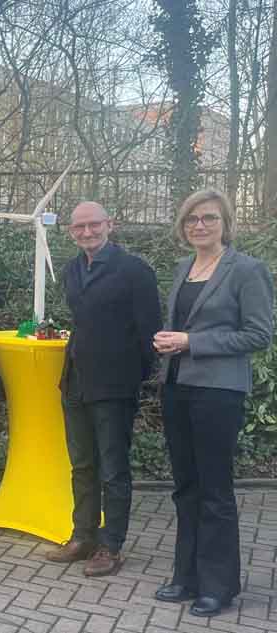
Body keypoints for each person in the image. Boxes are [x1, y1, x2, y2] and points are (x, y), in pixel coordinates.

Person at [152, 188, 273, 617]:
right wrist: (170, 343)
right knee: (185, 486)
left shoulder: (246, 270)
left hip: (219, 392)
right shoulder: (184, 266)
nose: (199, 226)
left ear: (225, 223)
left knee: (215, 489)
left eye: (208, 219)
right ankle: (186, 576)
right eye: (191, 220)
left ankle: (219, 586)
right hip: (177, 386)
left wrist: (191, 341)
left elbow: (259, 334)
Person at [46, 201, 161, 577]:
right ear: (71, 231)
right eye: (79, 227)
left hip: (115, 385)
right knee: (82, 465)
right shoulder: (71, 270)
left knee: (113, 469)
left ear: (110, 224)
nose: (87, 232)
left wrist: (134, 378)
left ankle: (111, 546)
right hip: (76, 381)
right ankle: (83, 536)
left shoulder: (135, 270)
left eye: (94, 225)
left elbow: (150, 332)